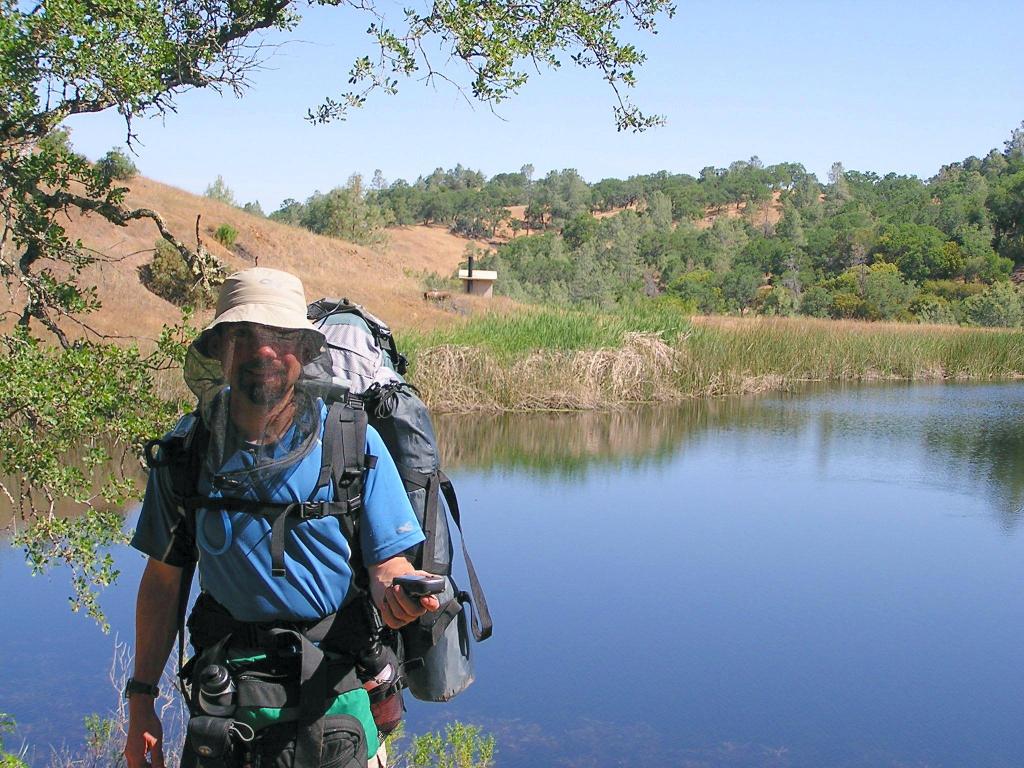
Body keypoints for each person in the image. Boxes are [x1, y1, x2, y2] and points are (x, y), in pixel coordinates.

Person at [124, 267, 439, 768]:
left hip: (337, 709)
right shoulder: (188, 450)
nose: (263, 351)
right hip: (224, 716)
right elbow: (163, 583)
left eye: (281, 337)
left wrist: (403, 592)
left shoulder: (352, 443)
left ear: (307, 351)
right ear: (220, 351)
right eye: (244, 335)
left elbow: (388, 569)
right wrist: (141, 700)